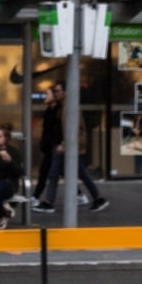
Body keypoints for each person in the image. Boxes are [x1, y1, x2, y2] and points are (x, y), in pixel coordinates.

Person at [34, 85, 108, 213]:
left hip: (66, 147)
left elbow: (76, 129)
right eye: (54, 92)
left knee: (55, 174)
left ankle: (49, 203)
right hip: (61, 147)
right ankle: (97, 198)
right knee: (76, 174)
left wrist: (64, 144)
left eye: (57, 91)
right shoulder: (60, 107)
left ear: (65, 92)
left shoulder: (70, 107)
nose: (55, 94)